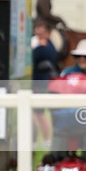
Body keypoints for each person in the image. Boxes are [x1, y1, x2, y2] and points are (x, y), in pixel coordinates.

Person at [53, 39, 86, 162]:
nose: (82, 59)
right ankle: (55, 161)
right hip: (68, 116)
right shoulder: (66, 73)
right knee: (59, 123)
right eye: (79, 56)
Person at [32, 18, 59, 147]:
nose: (38, 32)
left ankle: (47, 139)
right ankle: (36, 140)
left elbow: (34, 56)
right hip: (38, 82)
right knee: (35, 113)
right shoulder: (45, 46)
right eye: (36, 30)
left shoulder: (45, 47)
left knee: (39, 112)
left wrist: (36, 47)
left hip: (41, 83)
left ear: (48, 33)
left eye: (41, 31)